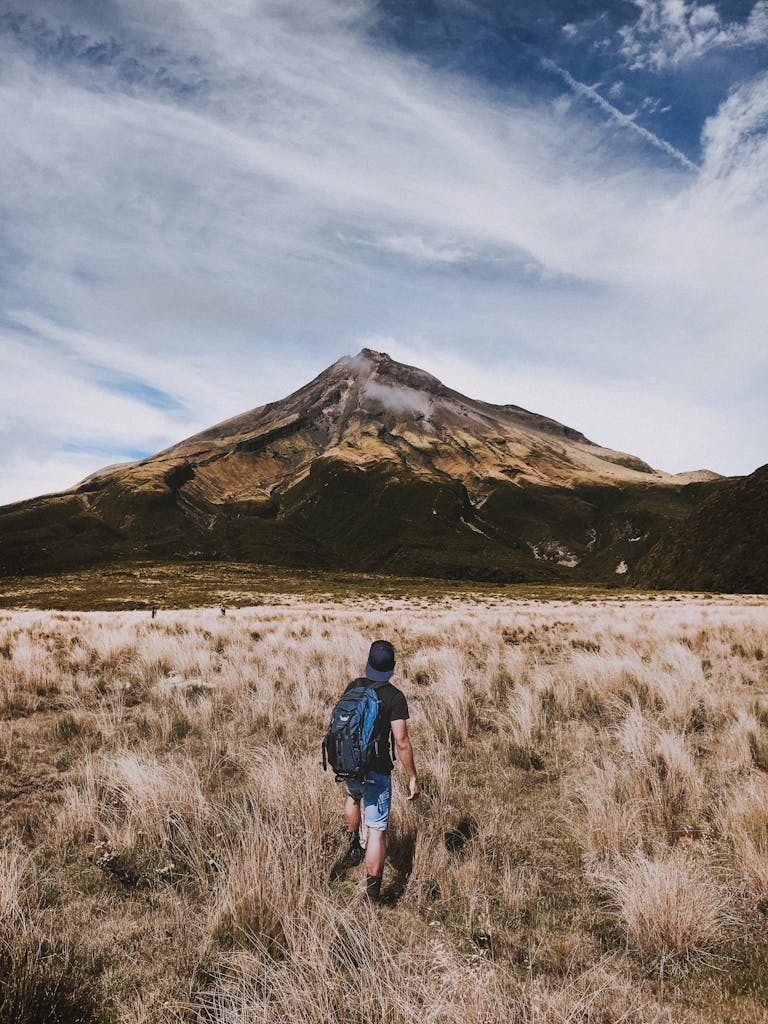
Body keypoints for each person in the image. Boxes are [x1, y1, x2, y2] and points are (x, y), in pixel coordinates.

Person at [342, 639, 420, 903]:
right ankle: (372, 897)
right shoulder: (395, 697)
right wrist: (412, 777)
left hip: (349, 764)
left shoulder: (354, 686)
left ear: (368, 663)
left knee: (353, 798)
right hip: (377, 770)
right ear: (392, 667)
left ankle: (353, 845)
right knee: (377, 830)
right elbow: (401, 741)